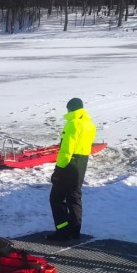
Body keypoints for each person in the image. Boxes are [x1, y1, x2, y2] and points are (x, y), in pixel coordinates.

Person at [48, 97, 97, 241]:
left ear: (70, 109)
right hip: (82, 163)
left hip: (69, 164)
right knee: (74, 197)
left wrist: (58, 170)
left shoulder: (72, 124)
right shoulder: (89, 124)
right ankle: (75, 231)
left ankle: (62, 231)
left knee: (56, 198)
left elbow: (66, 150)